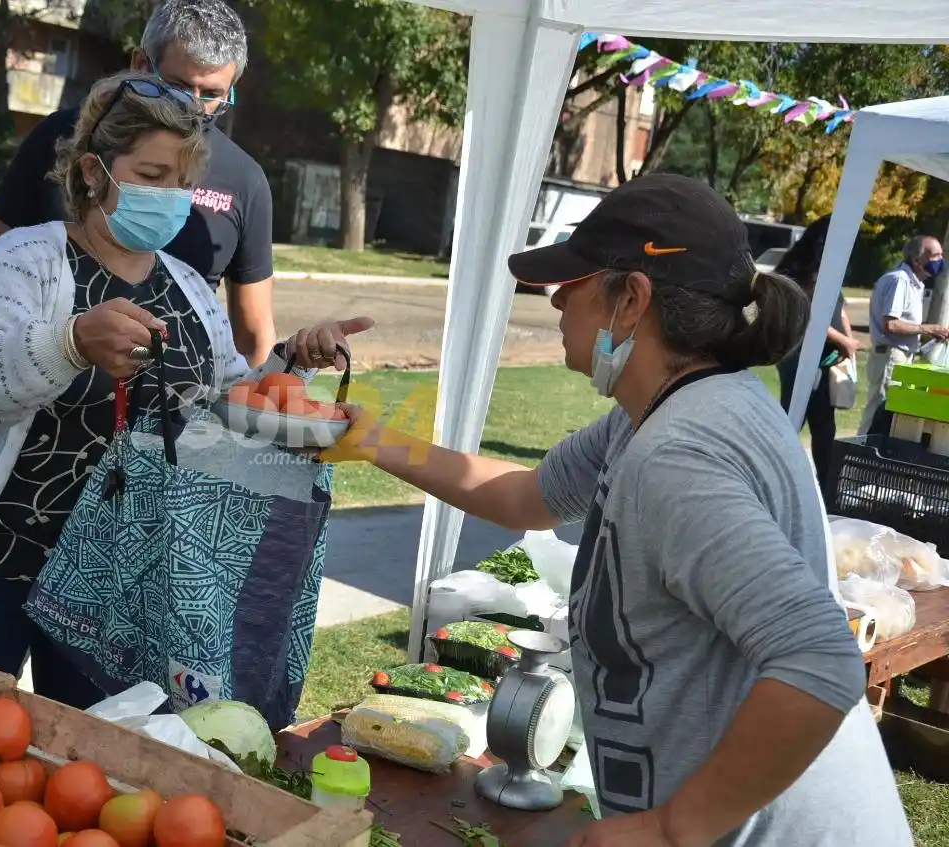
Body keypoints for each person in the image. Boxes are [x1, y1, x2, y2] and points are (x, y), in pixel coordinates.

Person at [329, 175, 912, 846]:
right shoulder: (660, 414)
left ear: (631, 298)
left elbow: (819, 656)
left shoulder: (677, 456)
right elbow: (526, 496)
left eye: (573, 281)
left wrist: (671, 827)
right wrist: (369, 439)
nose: (555, 300)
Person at [0, 71, 364, 708]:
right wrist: (68, 342)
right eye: (152, 178)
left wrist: (293, 364)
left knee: (92, 757)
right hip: (0, 557)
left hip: (117, 580)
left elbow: (222, 408)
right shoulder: (27, 258)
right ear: (94, 173)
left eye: (183, 183)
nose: (172, 198)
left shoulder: (188, 289)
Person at [0, 0, 274, 433]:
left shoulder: (241, 188)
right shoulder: (53, 157)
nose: (192, 108)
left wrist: (292, 367)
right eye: (178, 86)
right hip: (31, 453)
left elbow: (249, 347)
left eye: (212, 97)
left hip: (160, 464)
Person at [774, 214, 860, 490]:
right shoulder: (804, 268)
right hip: (800, 357)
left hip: (825, 358)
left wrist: (849, 337)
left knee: (824, 427)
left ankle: (827, 488)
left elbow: (839, 308)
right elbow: (808, 316)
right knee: (792, 418)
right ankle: (772, 480)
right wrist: (842, 341)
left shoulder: (831, 266)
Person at [861, 235, 949, 437]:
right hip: (891, 354)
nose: (940, 260)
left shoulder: (914, 282)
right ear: (917, 260)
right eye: (934, 256)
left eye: (941, 255)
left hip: (901, 355)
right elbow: (891, 323)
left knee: (888, 416)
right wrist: (928, 329)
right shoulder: (899, 280)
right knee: (878, 413)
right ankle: (859, 456)